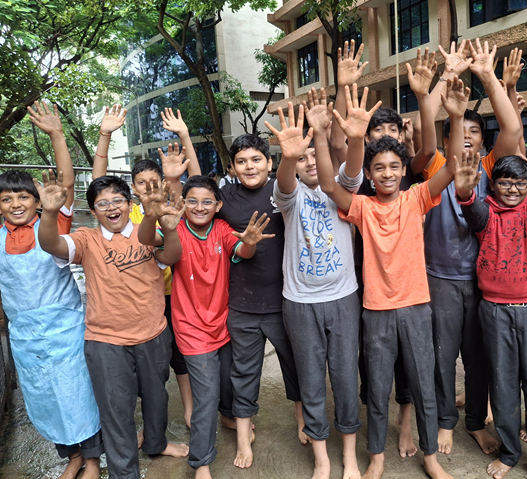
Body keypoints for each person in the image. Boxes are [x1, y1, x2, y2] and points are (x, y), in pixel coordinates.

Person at [321, 93, 458, 479]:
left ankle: (430, 457)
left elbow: (449, 168)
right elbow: (330, 186)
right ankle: (377, 456)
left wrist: (454, 116)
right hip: (377, 311)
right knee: (377, 390)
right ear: (369, 174)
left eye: (394, 166)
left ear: (403, 171)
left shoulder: (417, 198)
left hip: (416, 308)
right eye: (379, 167)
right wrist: (346, 137)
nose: (387, 173)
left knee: (424, 387)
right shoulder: (362, 207)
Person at [37, 172, 190, 478]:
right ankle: (124, 473)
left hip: (153, 334)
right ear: (93, 212)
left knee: (157, 397)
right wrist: (50, 213)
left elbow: (172, 255)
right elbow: (51, 244)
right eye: (102, 204)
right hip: (105, 342)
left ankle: (156, 443)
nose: (111, 207)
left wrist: (171, 230)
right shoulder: (86, 239)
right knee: (116, 412)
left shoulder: (147, 233)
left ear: (130, 203)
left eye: (117, 200)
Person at [266, 85, 378, 479]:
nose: (310, 161)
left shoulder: (341, 190)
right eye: (303, 158)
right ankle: (321, 459)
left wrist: (353, 139)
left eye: (316, 155)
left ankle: (348, 454)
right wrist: (289, 155)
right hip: (299, 303)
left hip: (343, 298)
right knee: (311, 381)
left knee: (346, 378)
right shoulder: (290, 197)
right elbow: (284, 183)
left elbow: (353, 168)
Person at [421, 39, 521, 457]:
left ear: (483, 142)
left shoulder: (490, 169)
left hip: (482, 280)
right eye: (460, 132)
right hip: (440, 278)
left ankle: (476, 422)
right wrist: (447, 83)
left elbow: (513, 130)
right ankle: (446, 421)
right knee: (443, 356)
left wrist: (488, 76)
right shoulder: (436, 166)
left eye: (475, 132)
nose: (467, 137)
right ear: (450, 138)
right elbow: (426, 125)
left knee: (478, 358)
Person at [137, 174, 274, 479]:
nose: (199, 207)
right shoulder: (175, 227)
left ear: (218, 205)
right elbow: (147, 239)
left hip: (223, 324)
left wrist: (249, 243)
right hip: (191, 329)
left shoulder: (222, 228)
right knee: (206, 396)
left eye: (207, 202)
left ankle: (228, 418)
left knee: (228, 382)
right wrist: (151, 216)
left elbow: (242, 252)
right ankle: (201, 462)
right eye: (193, 201)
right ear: (183, 203)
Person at [0, 101, 103, 479]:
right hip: (26, 339)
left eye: (23, 197)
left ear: (37, 200)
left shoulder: (52, 224)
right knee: (45, 399)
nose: (16, 204)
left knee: (78, 394)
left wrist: (57, 135)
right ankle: (71, 457)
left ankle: (93, 461)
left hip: (64, 331)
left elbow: (65, 183)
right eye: (6, 199)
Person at [456, 147, 527, 479]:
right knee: (503, 386)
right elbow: (472, 210)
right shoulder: (487, 213)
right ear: (493, 186)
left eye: (520, 183)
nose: (513, 190)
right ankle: (509, 453)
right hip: (496, 312)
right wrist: (464, 192)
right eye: (505, 183)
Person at [92, 107, 202, 432]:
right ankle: (148, 426)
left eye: (155, 182)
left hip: (174, 294)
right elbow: (99, 185)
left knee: (179, 356)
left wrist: (183, 139)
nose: (149, 187)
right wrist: (105, 134)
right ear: (133, 188)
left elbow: (198, 184)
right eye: (141, 183)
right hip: (141, 301)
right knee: (145, 366)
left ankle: (190, 410)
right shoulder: (129, 214)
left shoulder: (172, 206)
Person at [216, 133, 304, 469]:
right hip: (242, 303)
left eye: (256, 160)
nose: (249, 167)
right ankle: (243, 436)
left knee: (295, 365)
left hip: (285, 300)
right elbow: (198, 197)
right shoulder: (226, 196)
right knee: (243, 372)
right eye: (241, 161)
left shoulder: (285, 189)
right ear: (232, 167)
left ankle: (302, 419)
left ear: (270, 162)